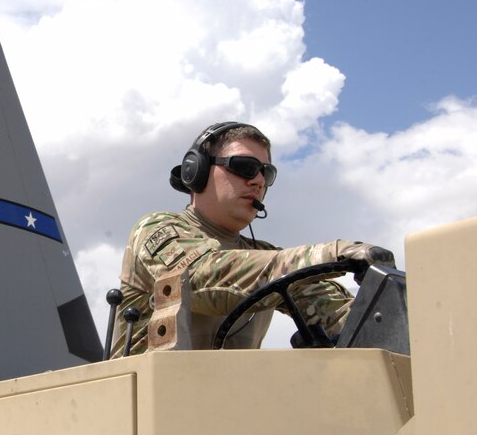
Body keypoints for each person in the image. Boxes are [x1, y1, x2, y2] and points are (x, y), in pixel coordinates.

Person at [110, 121, 395, 357]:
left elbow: (342, 313)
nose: (258, 180)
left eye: (266, 172)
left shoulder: (266, 256)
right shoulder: (157, 229)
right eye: (244, 167)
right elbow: (206, 276)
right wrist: (331, 254)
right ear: (196, 172)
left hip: (233, 409)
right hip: (141, 411)